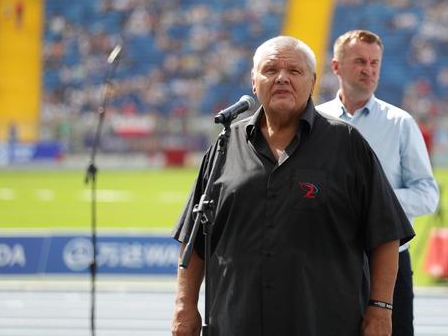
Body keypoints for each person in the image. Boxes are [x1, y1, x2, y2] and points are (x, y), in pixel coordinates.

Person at [171, 35, 415, 336]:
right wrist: (184, 305)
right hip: (236, 323)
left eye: (294, 71)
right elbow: (194, 239)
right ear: (253, 81)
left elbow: (386, 234)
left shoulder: (347, 144)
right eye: (270, 70)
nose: (282, 78)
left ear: (312, 81)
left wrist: (381, 309)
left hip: (323, 323)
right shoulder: (224, 146)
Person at [317, 29, 439, 336]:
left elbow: (427, 195)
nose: (368, 69)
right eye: (359, 61)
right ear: (336, 67)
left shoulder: (400, 123)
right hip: (328, 260)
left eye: (375, 63)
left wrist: (373, 203)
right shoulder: (314, 122)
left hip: (389, 263)